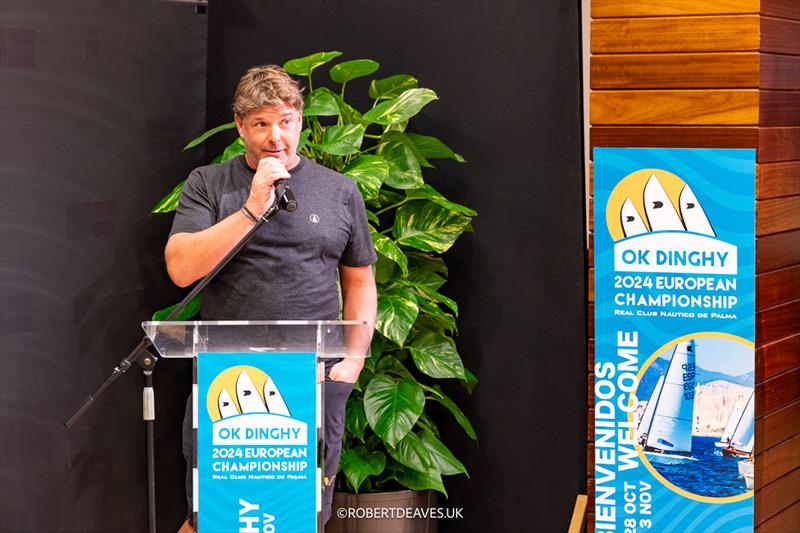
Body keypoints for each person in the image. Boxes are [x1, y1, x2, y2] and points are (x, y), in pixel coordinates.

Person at [165, 65, 377, 532]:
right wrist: (251, 208)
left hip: (314, 379)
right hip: (228, 383)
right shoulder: (208, 184)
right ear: (240, 126)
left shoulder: (340, 191)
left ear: (299, 120)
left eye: (284, 121)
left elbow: (359, 280)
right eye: (260, 124)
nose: (274, 136)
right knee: (213, 516)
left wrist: (354, 361)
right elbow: (181, 269)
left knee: (301, 517)